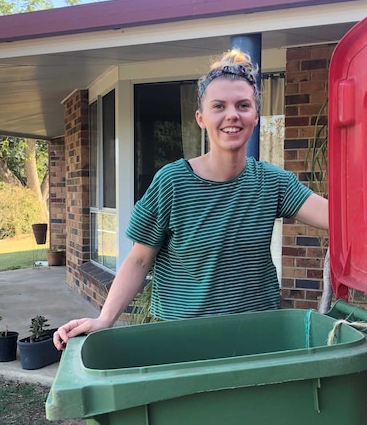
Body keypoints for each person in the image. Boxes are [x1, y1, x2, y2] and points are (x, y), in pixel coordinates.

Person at [53, 48, 329, 350]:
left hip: (256, 338)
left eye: (243, 105)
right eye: (219, 106)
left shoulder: (272, 182)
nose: (232, 115)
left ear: (255, 116)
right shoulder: (173, 182)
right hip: (182, 340)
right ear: (201, 118)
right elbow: (139, 258)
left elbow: (337, 219)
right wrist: (104, 319)